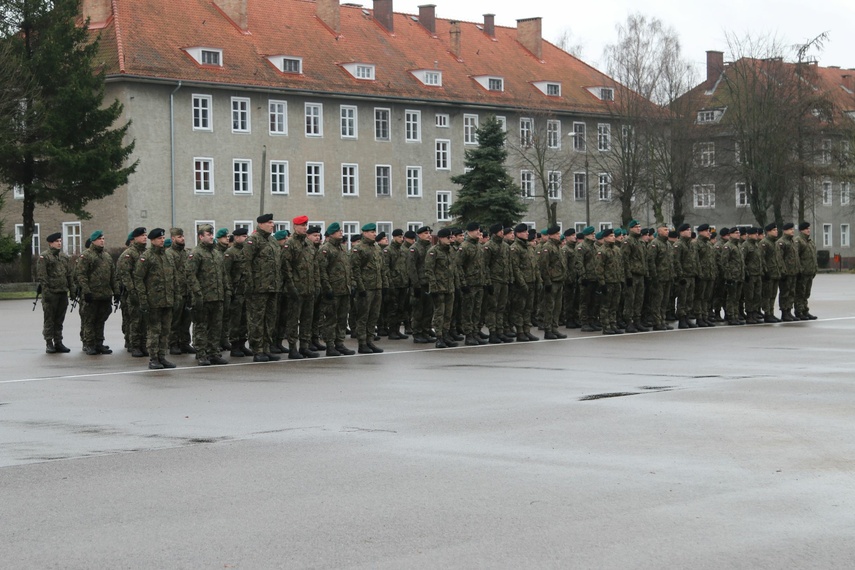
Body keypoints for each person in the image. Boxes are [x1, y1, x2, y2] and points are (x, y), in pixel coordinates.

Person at [134, 228, 177, 369]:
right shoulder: (146, 257)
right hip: (153, 301)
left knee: (165, 330)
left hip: (167, 300)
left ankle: (162, 357)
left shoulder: (168, 256)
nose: (162, 240)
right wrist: (143, 300)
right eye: (159, 238)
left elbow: (174, 278)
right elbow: (139, 279)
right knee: (154, 331)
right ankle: (153, 359)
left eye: (163, 238)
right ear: (152, 240)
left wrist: (175, 296)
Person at [187, 224, 230, 366]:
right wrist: (198, 294)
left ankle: (213, 353)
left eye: (212, 234)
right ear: (201, 236)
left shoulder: (216, 253)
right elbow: (190, 275)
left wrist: (227, 290)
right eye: (208, 234)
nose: (211, 236)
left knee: (216, 327)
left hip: (217, 297)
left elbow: (223, 274)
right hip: (203, 298)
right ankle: (201, 354)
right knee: (201, 327)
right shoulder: (196, 253)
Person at [243, 213, 283, 362]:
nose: (272, 225)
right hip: (258, 288)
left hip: (273, 287)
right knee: (256, 320)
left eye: (272, 222)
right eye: (269, 222)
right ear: (260, 224)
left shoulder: (272, 241)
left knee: (270, 320)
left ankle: (267, 348)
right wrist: (251, 285)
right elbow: (246, 263)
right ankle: (257, 350)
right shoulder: (253, 241)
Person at [282, 215, 319, 359]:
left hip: (309, 288)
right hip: (296, 289)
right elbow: (286, 267)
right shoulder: (290, 244)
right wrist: (291, 287)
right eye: (302, 225)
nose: (305, 227)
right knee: (293, 319)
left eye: (306, 225)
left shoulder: (309, 244)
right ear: (295, 227)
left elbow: (314, 266)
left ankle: (305, 346)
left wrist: (316, 285)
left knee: (307, 319)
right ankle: (292, 347)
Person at [317, 223, 356, 356]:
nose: (341, 233)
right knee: (331, 319)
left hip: (344, 289)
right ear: (332, 233)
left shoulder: (343, 248)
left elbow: (348, 268)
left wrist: (351, 284)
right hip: (333, 291)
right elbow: (322, 270)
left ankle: (340, 343)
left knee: (342, 319)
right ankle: (330, 345)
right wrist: (327, 288)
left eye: (341, 231)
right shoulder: (326, 249)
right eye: (338, 231)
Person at [77, 230, 118, 355]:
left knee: (101, 320)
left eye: (103, 238)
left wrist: (116, 291)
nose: (102, 241)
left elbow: (112, 276)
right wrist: (86, 291)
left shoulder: (107, 256)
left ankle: (99, 343)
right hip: (92, 295)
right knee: (90, 320)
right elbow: (81, 275)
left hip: (104, 294)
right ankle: (89, 344)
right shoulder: (87, 255)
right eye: (99, 239)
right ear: (93, 241)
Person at [350, 223, 385, 354]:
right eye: (371, 232)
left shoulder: (376, 247)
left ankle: (370, 341)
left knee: (374, 316)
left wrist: (384, 285)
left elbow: (381, 267)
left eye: (374, 232)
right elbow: (355, 269)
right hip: (365, 288)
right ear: (364, 233)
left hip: (377, 286)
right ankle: (362, 343)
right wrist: (360, 287)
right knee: (363, 317)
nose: (374, 234)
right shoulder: (359, 248)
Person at [37, 232, 73, 353]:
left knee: (59, 319)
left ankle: (58, 342)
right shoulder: (45, 257)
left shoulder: (63, 257)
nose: (59, 243)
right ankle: (49, 342)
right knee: (49, 319)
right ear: (50, 243)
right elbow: (42, 276)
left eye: (60, 241)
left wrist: (72, 291)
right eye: (57, 241)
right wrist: (46, 293)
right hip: (51, 293)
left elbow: (69, 275)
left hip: (62, 292)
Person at [117, 227, 148, 356]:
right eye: (142, 236)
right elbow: (125, 275)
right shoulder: (129, 254)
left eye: (146, 235)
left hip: (146, 292)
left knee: (145, 321)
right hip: (134, 292)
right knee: (135, 320)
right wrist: (132, 291)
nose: (145, 237)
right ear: (135, 238)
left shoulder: (147, 253)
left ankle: (143, 345)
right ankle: (134, 345)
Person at [425, 228, 457, 348]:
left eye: (451, 237)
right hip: (439, 287)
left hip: (450, 287)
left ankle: (445, 334)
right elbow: (429, 270)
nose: (450, 240)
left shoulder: (451, 251)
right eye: (448, 238)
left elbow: (454, 269)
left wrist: (456, 284)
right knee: (439, 313)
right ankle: (439, 337)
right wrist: (433, 287)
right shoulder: (434, 251)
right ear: (441, 238)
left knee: (448, 313)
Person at [166, 228, 195, 355]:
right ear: (173, 239)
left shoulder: (186, 253)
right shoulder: (169, 254)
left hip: (187, 292)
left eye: (182, 236)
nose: (182, 239)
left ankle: (184, 343)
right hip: (176, 292)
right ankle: (173, 343)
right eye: (179, 237)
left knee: (186, 319)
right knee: (175, 320)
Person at [224, 227, 252, 357]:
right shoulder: (230, 252)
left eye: (246, 236)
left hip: (246, 291)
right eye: (243, 236)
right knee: (235, 320)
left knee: (244, 320)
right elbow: (226, 273)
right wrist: (229, 290)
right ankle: (234, 345)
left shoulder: (247, 251)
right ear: (236, 238)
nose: (246, 238)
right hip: (236, 291)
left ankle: (242, 343)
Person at [509, 223, 540, 342]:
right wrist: (522, 283)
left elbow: (534, 265)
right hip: (521, 284)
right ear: (518, 234)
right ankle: (520, 332)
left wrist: (538, 280)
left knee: (528, 308)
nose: (527, 233)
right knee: (519, 309)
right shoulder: (515, 248)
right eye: (524, 231)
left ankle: (527, 330)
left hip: (531, 281)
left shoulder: (528, 247)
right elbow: (515, 268)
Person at [458, 222, 487, 345]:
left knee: (477, 310)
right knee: (468, 311)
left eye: (478, 230)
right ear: (469, 232)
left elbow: (483, 266)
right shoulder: (464, 247)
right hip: (469, 284)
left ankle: (475, 332)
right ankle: (468, 335)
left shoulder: (479, 246)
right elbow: (458, 266)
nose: (478, 232)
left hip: (479, 283)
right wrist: (463, 283)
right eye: (475, 230)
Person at [482, 224, 512, 344]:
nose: (502, 232)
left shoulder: (505, 246)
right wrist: (488, 282)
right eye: (500, 231)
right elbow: (485, 265)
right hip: (494, 281)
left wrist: (510, 277)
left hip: (504, 280)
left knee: (501, 307)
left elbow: (508, 263)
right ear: (494, 233)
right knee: (492, 308)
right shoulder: (488, 246)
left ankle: (500, 331)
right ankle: (492, 332)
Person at [538, 225, 568, 339]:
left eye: (559, 233)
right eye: (556, 234)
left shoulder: (558, 247)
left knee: (557, 307)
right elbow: (543, 266)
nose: (558, 235)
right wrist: (547, 281)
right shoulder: (547, 247)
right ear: (550, 235)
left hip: (559, 280)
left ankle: (554, 328)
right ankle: (548, 329)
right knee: (549, 307)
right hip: (552, 281)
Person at [408, 226, 434, 343]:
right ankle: (417, 333)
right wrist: (416, 285)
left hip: (429, 283)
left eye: (429, 233)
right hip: (419, 284)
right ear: (419, 235)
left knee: (429, 310)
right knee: (418, 310)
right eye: (425, 233)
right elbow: (411, 268)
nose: (428, 235)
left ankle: (426, 331)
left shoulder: (430, 247)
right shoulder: (414, 248)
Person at [621, 220, 648, 332]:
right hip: (632, 275)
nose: (639, 228)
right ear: (631, 228)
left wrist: (646, 273)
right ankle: (629, 322)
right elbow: (625, 259)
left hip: (640, 274)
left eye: (639, 226)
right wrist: (627, 276)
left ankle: (637, 320)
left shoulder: (641, 242)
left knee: (639, 299)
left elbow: (644, 259)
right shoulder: (628, 241)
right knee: (630, 299)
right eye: (636, 227)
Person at [673, 223, 699, 329]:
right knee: (682, 299)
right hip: (684, 276)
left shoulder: (691, 245)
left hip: (691, 275)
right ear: (681, 232)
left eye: (690, 229)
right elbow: (676, 261)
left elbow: (695, 260)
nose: (689, 231)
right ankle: (682, 319)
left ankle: (687, 317)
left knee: (689, 298)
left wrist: (696, 272)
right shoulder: (679, 245)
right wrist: (680, 275)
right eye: (687, 230)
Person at [794, 222, 818, 320]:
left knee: (806, 293)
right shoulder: (798, 241)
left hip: (810, 272)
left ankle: (805, 310)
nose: (808, 230)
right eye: (806, 229)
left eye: (809, 228)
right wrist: (799, 269)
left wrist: (815, 268)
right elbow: (796, 257)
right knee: (800, 292)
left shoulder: (810, 242)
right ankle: (799, 311)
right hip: (802, 272)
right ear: (801, 230)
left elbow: (813, 257)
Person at [777, 222, 800, 322]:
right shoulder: (781, 242)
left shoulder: (792, 241)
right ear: (785, 231)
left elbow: (796, 258)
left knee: (791, 293)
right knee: (784, 293)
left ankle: (789, 311)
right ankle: (784, 312)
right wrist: (783, 271)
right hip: (786, 273)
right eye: (790, 229)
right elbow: (779, 258)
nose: (792, 231)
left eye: (793, 229)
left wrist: (798, 269)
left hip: (793, 272)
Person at [759, 223, 782, 323]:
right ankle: (767, 313)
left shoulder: (775, 243)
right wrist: (765, 271)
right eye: (774, 230)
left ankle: (771, 313)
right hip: (768, 273)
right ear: (768, 232)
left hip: (775, 272)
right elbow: (761, 258)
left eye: (776, 230)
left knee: (773, 295)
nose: (776, 231)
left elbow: (778, 258)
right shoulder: (764, 243)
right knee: (767, 295)